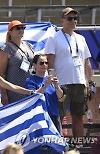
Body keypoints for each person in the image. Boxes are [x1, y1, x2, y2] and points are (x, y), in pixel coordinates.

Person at [45, 7, 93, 139]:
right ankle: (58, 146)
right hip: (62, 83)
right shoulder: (54, 38)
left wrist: (89, 82)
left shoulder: (81, 38)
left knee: (78, 116)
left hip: (79, 83)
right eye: (70, 18)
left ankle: (78, 146)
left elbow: (87, 62)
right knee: (59, 116)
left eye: (75, 18)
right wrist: (53, 82)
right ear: (62, 20)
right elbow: (50, 61)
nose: (73, 21)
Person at [24, 54, 66, 134]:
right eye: (41, 63)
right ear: (34, 65)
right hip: (39, 116)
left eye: (46, 63)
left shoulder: (51, 79)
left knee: (56, 142)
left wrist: (57, 86)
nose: (44, 65)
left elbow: (61, 98)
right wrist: (45, 85)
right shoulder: (30, 81)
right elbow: (33, 97)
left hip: (53, 115)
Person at [0, 20, 34, 105]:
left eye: (23, 28)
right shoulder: (5, 48)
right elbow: (0, 73)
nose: (21, 30)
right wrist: (4, 94)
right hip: (13, 90)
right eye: (18, 28)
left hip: (30, 88)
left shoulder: (29, 46)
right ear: (10, 32)